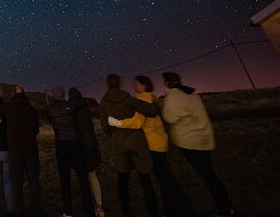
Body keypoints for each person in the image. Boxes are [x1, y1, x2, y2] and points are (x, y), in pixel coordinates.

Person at [107, 76, 195, 217]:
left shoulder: (142, 99)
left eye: (136, 84)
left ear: (144, 85)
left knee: (166, 180)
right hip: (159, 141)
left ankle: (185, 209)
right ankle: (172, 210)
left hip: (152, 144)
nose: (134, 86)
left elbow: (137, 122)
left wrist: (116, 123)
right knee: (164, 179)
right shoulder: (148, 98)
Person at [161, 72, 235, 217]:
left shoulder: (173, 96)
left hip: (189, 142)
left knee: (207, 175)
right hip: (203, 139)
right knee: (210, 174)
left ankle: (224, 209)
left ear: (167, 83)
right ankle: (225, 206)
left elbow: (169, 117)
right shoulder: (192, 94)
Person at [99, 74, 159, 217]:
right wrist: (155, 103)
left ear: (107, 85)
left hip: (118, 143)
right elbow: (151, 111)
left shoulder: (103, 102)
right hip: (136, 140)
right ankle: (153, 212)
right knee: (145, 179)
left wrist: (115, 133)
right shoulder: (129, 98)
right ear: (119, 83)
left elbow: (105, 127)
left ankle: (126, 212)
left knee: (122, 179)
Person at [47, 85, 95, 217]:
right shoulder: (71, 107)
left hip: (61, 148)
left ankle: (68, 211)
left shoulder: (50, 110)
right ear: (63, 95)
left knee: (65, 180)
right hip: (75, 146)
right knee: (83, 178)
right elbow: (84, 101)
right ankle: (90, 209)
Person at [0, 85, 43, 216]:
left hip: (15, 150)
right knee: (34, 179)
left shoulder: (9, 107)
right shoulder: (32, 109)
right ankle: (37, 209)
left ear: (13, 95)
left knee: (16, 181)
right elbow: (36, 130)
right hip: (31, 148)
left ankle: (19, 210)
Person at [68, 87, 105, 217]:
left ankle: (90, 206)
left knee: (84, 179)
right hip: (91, 146)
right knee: (93, 176)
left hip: (79, 148)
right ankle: (100, 207)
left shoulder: (70, 111)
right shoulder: (87, 109)